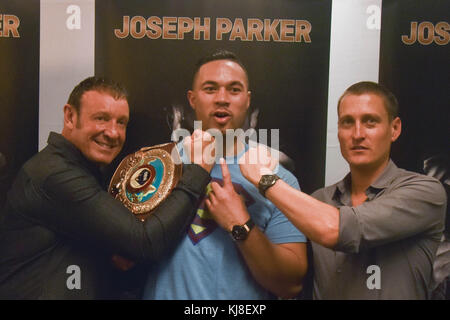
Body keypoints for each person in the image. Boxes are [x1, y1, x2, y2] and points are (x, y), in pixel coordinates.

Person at [0, 76, 213, 299]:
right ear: (70, 117)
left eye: (121, 122)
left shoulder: (85, 172)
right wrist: (198, 169)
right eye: (101, 118)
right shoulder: (54, 174)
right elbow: (145, 242)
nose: (113, 133)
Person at [238, 81, 447, 299]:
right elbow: (288, 281)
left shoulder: (424, 191)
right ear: (338, 130)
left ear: (394, 129)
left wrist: (265, 179)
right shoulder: (320, 200)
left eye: (370, 122)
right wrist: (240, 222)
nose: (357, 134)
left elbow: (333, 229)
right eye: (348, 122)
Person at [143, 50, 307, 300]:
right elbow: (122, 257)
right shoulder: (156, 167)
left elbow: (291, 285)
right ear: (192, 98)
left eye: (234, 89)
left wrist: (241, 224)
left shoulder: (277, 178)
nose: (222, 98)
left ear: (247, 99)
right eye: (210, 89)